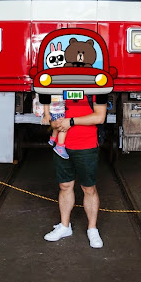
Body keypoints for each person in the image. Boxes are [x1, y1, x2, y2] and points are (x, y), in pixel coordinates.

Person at [42, 93, 108, 248]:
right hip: (61, 147)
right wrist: (54, 123)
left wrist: (70, 122)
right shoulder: (58, 89)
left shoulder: (97, 88)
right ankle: (65, 226)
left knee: (88, 188)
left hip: (87, 146)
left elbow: (100, 117)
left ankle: (92, 228)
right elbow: (52, 118)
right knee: (65, 186)